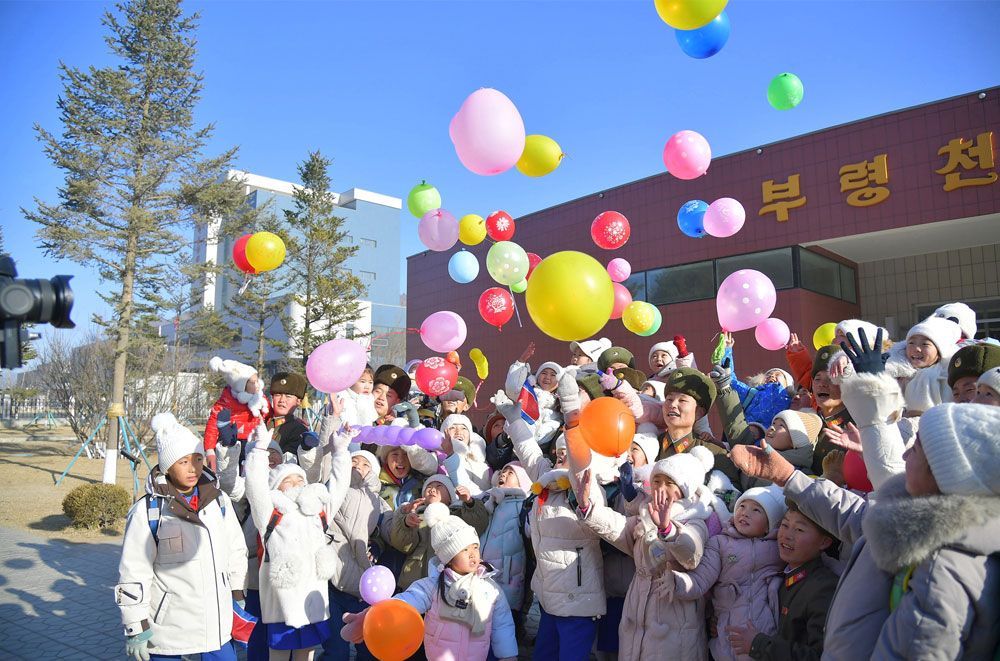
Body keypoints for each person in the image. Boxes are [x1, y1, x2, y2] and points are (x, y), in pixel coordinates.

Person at [729, 403, 1000, 659]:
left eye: (915, 450)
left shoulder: (942, 572)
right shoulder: (909, 519)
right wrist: (787, 476)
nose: (904, 456)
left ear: (944, 471)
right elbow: (852, 513)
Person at [116, 412, 247, 661]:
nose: (192, 468)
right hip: (169, 632)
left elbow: (236, 550)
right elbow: (134, 571)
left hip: (216, 627)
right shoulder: (148, 511)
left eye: (197, 459)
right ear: (167, 465)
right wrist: (135, 626)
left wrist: (237, 593)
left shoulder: (218, 501)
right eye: (183, 461)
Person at [572, 446, 724, 661]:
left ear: (685, 488)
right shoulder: (646, 513)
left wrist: (667, 530)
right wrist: (588, 507)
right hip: (638, 605)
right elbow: (618, 528)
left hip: (674, 612)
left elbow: (691, 556)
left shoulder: (695, 519)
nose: (661, 487)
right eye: (657, 481)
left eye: (669, 483)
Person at [341, 503, 518, 661]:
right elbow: (403, 603)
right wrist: (369, 615)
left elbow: (502, 624)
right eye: (464, 550)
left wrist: (508, 655)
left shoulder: (490, 589)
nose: (473, 554)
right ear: (448, 557)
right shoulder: (432, 586)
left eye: (475, 547)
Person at [244, 422, 351, 660]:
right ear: (276, 486)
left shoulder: (318, 511)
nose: (295, 484)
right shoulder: (270, 512)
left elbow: (339, 486)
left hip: (312, 599)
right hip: (282, 603)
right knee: (279, 653)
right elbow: (255, 487)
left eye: (299, 479)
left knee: (307, 653)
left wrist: (341, 451)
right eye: (288, 480)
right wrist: (259, 451)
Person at [668, 485, 787, 661]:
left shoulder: (778, 548)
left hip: (765, 637)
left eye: (756, 510)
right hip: (727, 637)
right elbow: (701, 578)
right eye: (742, 506)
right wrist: (677, 582)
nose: (745, 513)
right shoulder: (720, 543)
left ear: (769, 525)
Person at [731, 502, 839, 660]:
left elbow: (820, 656)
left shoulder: (824, 588)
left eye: (799, 529)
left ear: (824, 542)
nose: (787, 535)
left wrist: (759, 644)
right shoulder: (777, 574)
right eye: (785, 525)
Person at [320, 449, 389, 661]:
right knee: (336, 651)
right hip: (332, 579)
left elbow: (389, 531)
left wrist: (378, 544)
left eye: (366, 464)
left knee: (368, 650)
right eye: (354, 461)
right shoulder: (331, 491)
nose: (358, 466)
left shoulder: (379, 502)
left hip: (365, 586)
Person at [387, 474, 489, 590]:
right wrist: (406, 524)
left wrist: (469, 502)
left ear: (450, 497)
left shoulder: (458, 515)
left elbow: (479, 524)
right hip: (414, 581)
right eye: (428, 487)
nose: (432, 489)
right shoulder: (417, 516)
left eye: (439, 486)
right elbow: (403, 546)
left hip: (449, 583)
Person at [479, 461, 532, 621]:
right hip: (482, 575)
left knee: (505, 624)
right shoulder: (488, 500)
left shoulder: (523, 506)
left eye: (510, 473)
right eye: (502, 471)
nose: (503, 474)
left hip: (508, 580)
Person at [204, 356, 270, 470]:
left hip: (254, 443)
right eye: (252, 383)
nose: (258, 385)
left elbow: (268, 415)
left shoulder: (259, 398)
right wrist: (210, 450)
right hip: (232, 444)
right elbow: (213, 426)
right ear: (241, 386)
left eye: (257, 381)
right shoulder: (226, 402)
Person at [901, 316, 961, 414]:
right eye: (911, 343)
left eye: (925, 344)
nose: (916, 349)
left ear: (940, 350)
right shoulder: (900, 373)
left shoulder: (948, 375)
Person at [267, 371, 315, 455]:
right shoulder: (260, 421)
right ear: (272, 397)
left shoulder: (298, 430)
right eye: (278, 395)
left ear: (298, 401)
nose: (282, 400)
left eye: (288, 396)